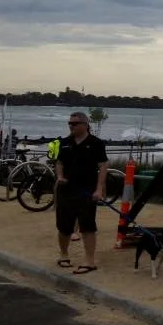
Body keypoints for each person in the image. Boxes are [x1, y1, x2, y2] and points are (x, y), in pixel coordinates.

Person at [54, 112, 108, 275]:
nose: (71, 126)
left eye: (75, 123)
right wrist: (60, 176)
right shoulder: (64, 143)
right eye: (69, 123)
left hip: (87, 191)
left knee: (88, 226)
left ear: (85, 124)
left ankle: (89, 261)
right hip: (66, 190)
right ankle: (64, 255)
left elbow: (103, 166)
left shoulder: (96, 143)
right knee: (64, 227)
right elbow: (59, 162)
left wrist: (99, 189)